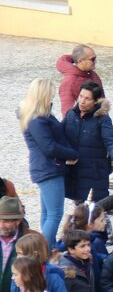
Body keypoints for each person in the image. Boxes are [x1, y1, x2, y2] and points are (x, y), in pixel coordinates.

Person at [20, 78, 77, 246]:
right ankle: (45, 249)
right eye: (51, 92)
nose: (53, 95)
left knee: (47, 213)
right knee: (55, 213)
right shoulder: (38, 120)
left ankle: (48, 246)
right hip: (49, 169)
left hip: (46, 168)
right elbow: (49, 147)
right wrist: (72, 154)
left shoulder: (37, 116)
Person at [61, 82, 113, 205]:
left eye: (87, 98)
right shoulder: (70, 115)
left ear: (95, 101)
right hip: (74, 170)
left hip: (94, 171)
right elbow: (58, 135)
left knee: (96, 210)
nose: (82, 101)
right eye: (81, 96)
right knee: (79, 209)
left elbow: (110, 140)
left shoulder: (102, 118)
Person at [57, 44, 102, 115]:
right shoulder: (70, 81)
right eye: (92, 59)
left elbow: (102, 103)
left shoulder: (93, 75)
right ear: (80, 61)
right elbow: (67, 113)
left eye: (95, 58)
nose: (95, 62)